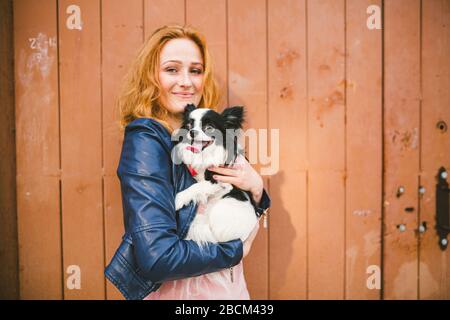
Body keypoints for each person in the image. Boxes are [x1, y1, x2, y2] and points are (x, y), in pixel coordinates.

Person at [104, 24, 271, 300]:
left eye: (195, 70)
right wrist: (235, 250)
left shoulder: (209, 134)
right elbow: (157, 257)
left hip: (226, 288)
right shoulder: (147, 137)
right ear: (151, 77)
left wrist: (257, 189)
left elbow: (238, 196)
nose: (186, 81)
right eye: (172, 69)